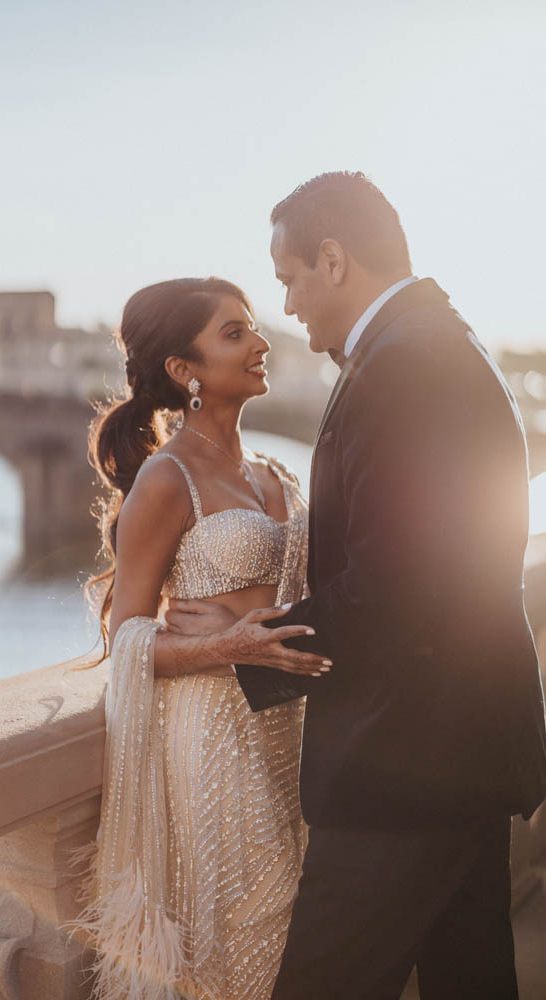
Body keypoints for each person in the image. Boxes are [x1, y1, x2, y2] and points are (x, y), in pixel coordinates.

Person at [166, 172, 546, 998]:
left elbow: (395, 583)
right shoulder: (433, 340)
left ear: (331, 259)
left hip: (403, 766)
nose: (288, 307)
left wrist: (245, 642)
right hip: (455, 751)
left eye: (288, 278)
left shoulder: (405, 365)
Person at [72, 277, 328, 1000]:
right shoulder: (166, 477)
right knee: (243, 946)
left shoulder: (275, 474)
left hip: (288, 732)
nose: (258, 342)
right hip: (212, 740)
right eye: (233, 332)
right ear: (184, 371)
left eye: (251, 328)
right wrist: (223, 647)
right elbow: (126, 635)